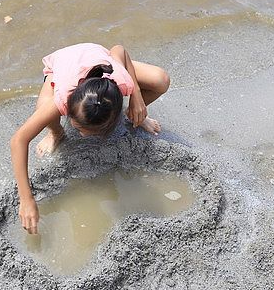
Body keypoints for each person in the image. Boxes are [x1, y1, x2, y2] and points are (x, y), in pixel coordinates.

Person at [10, 43, 170, 234]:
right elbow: (18, 140)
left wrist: (137, 98)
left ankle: (134, 115)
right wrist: (26, 198)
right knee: (43, 109)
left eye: (90, 131)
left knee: (161, 80)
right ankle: (55, 133)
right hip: (62, 64)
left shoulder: (121, 80)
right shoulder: (63, 98)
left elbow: (119, 50)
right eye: (79, 128)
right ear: (68, 112)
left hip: (99, 61)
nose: (83, 135)